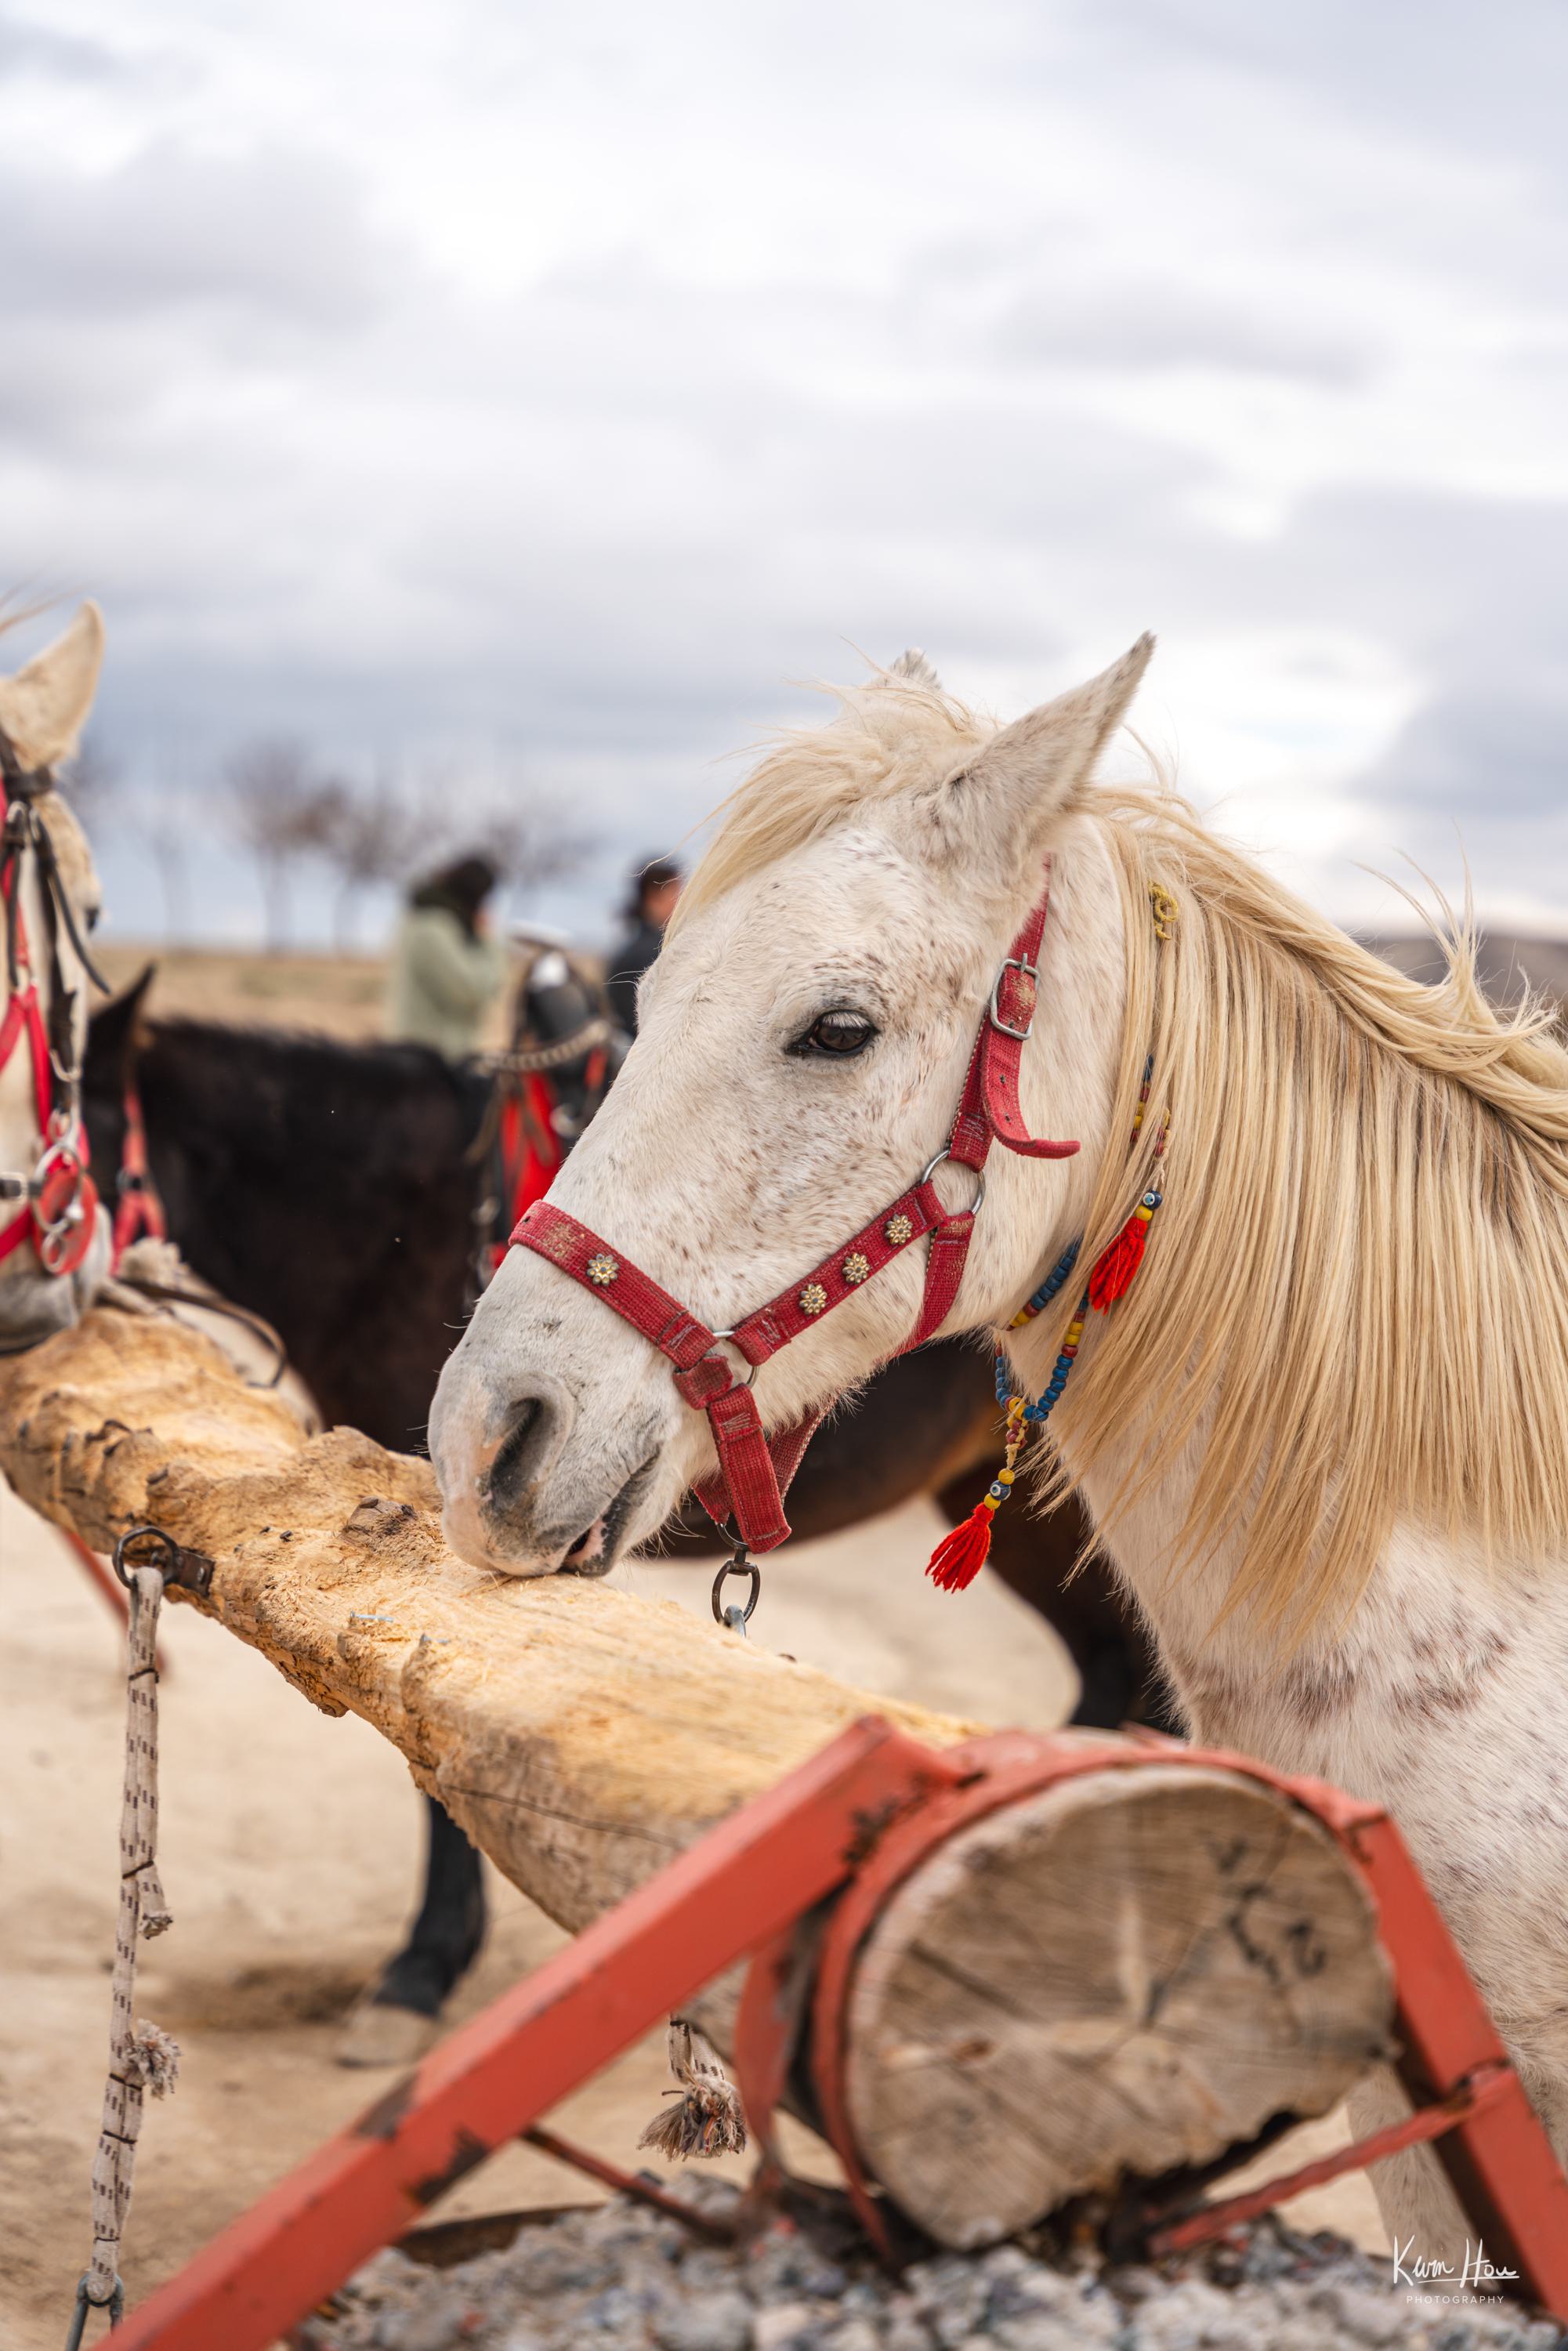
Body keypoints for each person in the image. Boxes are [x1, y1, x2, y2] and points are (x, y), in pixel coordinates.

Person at [386, 855, 509, 1060]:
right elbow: (470, 991)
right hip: (429, 1062)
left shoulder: (430, 922)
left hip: (429, 1057)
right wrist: (487, 941)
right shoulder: (432, 929)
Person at [605, 854, 682, 1035]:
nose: (681, 902)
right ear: (653, 899)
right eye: (676, 894)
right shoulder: (656, 952)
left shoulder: (630, 949)